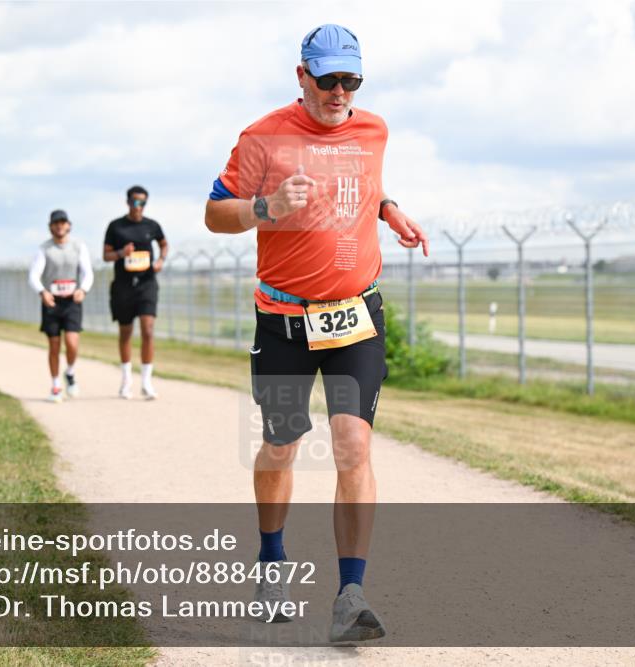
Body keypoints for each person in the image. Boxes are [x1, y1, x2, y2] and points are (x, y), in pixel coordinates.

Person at [205, 24, 429, 643]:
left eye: (350, 79)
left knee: (353, 446)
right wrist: (265, 208)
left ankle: (350, 595)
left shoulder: (373, 129)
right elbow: (214, 211)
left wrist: (389, 209)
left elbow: (361, 183)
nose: (339, 91)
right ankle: (271, 560)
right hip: (283, 320)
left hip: (356, 316)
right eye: (327, 78)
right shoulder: (262, 136)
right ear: (300, 75)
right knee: (282, 444)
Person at [103, 185, 168, 399]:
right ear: (128, 202)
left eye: (142, 202)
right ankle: (126, 380)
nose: (138, 206)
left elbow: (164, 244)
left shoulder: (152, 225)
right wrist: (122, 252)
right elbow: (106, 255)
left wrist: (160, 260)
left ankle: (147, 382)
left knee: (148, 330)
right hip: (123, 285)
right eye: (135, 201)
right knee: (126, 332)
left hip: (147, 283)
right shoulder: (116, 226)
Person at [28, 209, 94, 402]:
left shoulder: (78, 246)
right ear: (50, 227)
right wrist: (43, 292)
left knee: (72, 342)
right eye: (56, 223)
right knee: (54, 345)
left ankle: (70, 372)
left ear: (69, 226)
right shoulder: (44, 249)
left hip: (72, 300)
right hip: (52, 300)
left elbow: (87, 272)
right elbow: (34, 275)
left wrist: (84, 289)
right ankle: (56, 385)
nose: (60, 226)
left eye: (63, 223)